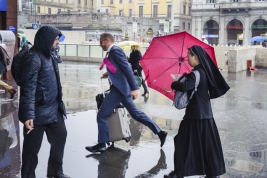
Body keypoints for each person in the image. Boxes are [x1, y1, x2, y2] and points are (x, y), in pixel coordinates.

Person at [85, 33, 167, 153]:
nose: (99, 44)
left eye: (101, 41)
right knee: (136, 114)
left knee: (102, 115)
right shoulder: (112, 51)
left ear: (107, 41)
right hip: (122, 88)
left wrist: (134, 88)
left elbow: (127, 68)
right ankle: (160, 132)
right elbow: (119, 68)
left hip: (119, 89)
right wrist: (108, 74)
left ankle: (102, 144)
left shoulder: (115, 51)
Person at [164, 45, 230, 178]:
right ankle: (213, 173)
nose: (187, 59)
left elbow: (184, 86)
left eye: (189, 56)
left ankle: (179, 173)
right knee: (208, 146)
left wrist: (174, 83)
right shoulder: (202, 72)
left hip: (195, 116)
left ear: (195, 57)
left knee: (182, 142)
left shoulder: (197, 73)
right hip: (205, 115)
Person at [19, 25, 69, 178]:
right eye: (55, 39)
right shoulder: (33, 58)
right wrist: (28, 115)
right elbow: (28, 89)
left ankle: (55, 172)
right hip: (37, 113)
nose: (58, 42)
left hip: (54, 109)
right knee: (31, 149)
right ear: (47, 39)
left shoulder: (50, 55)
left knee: (60, 137)